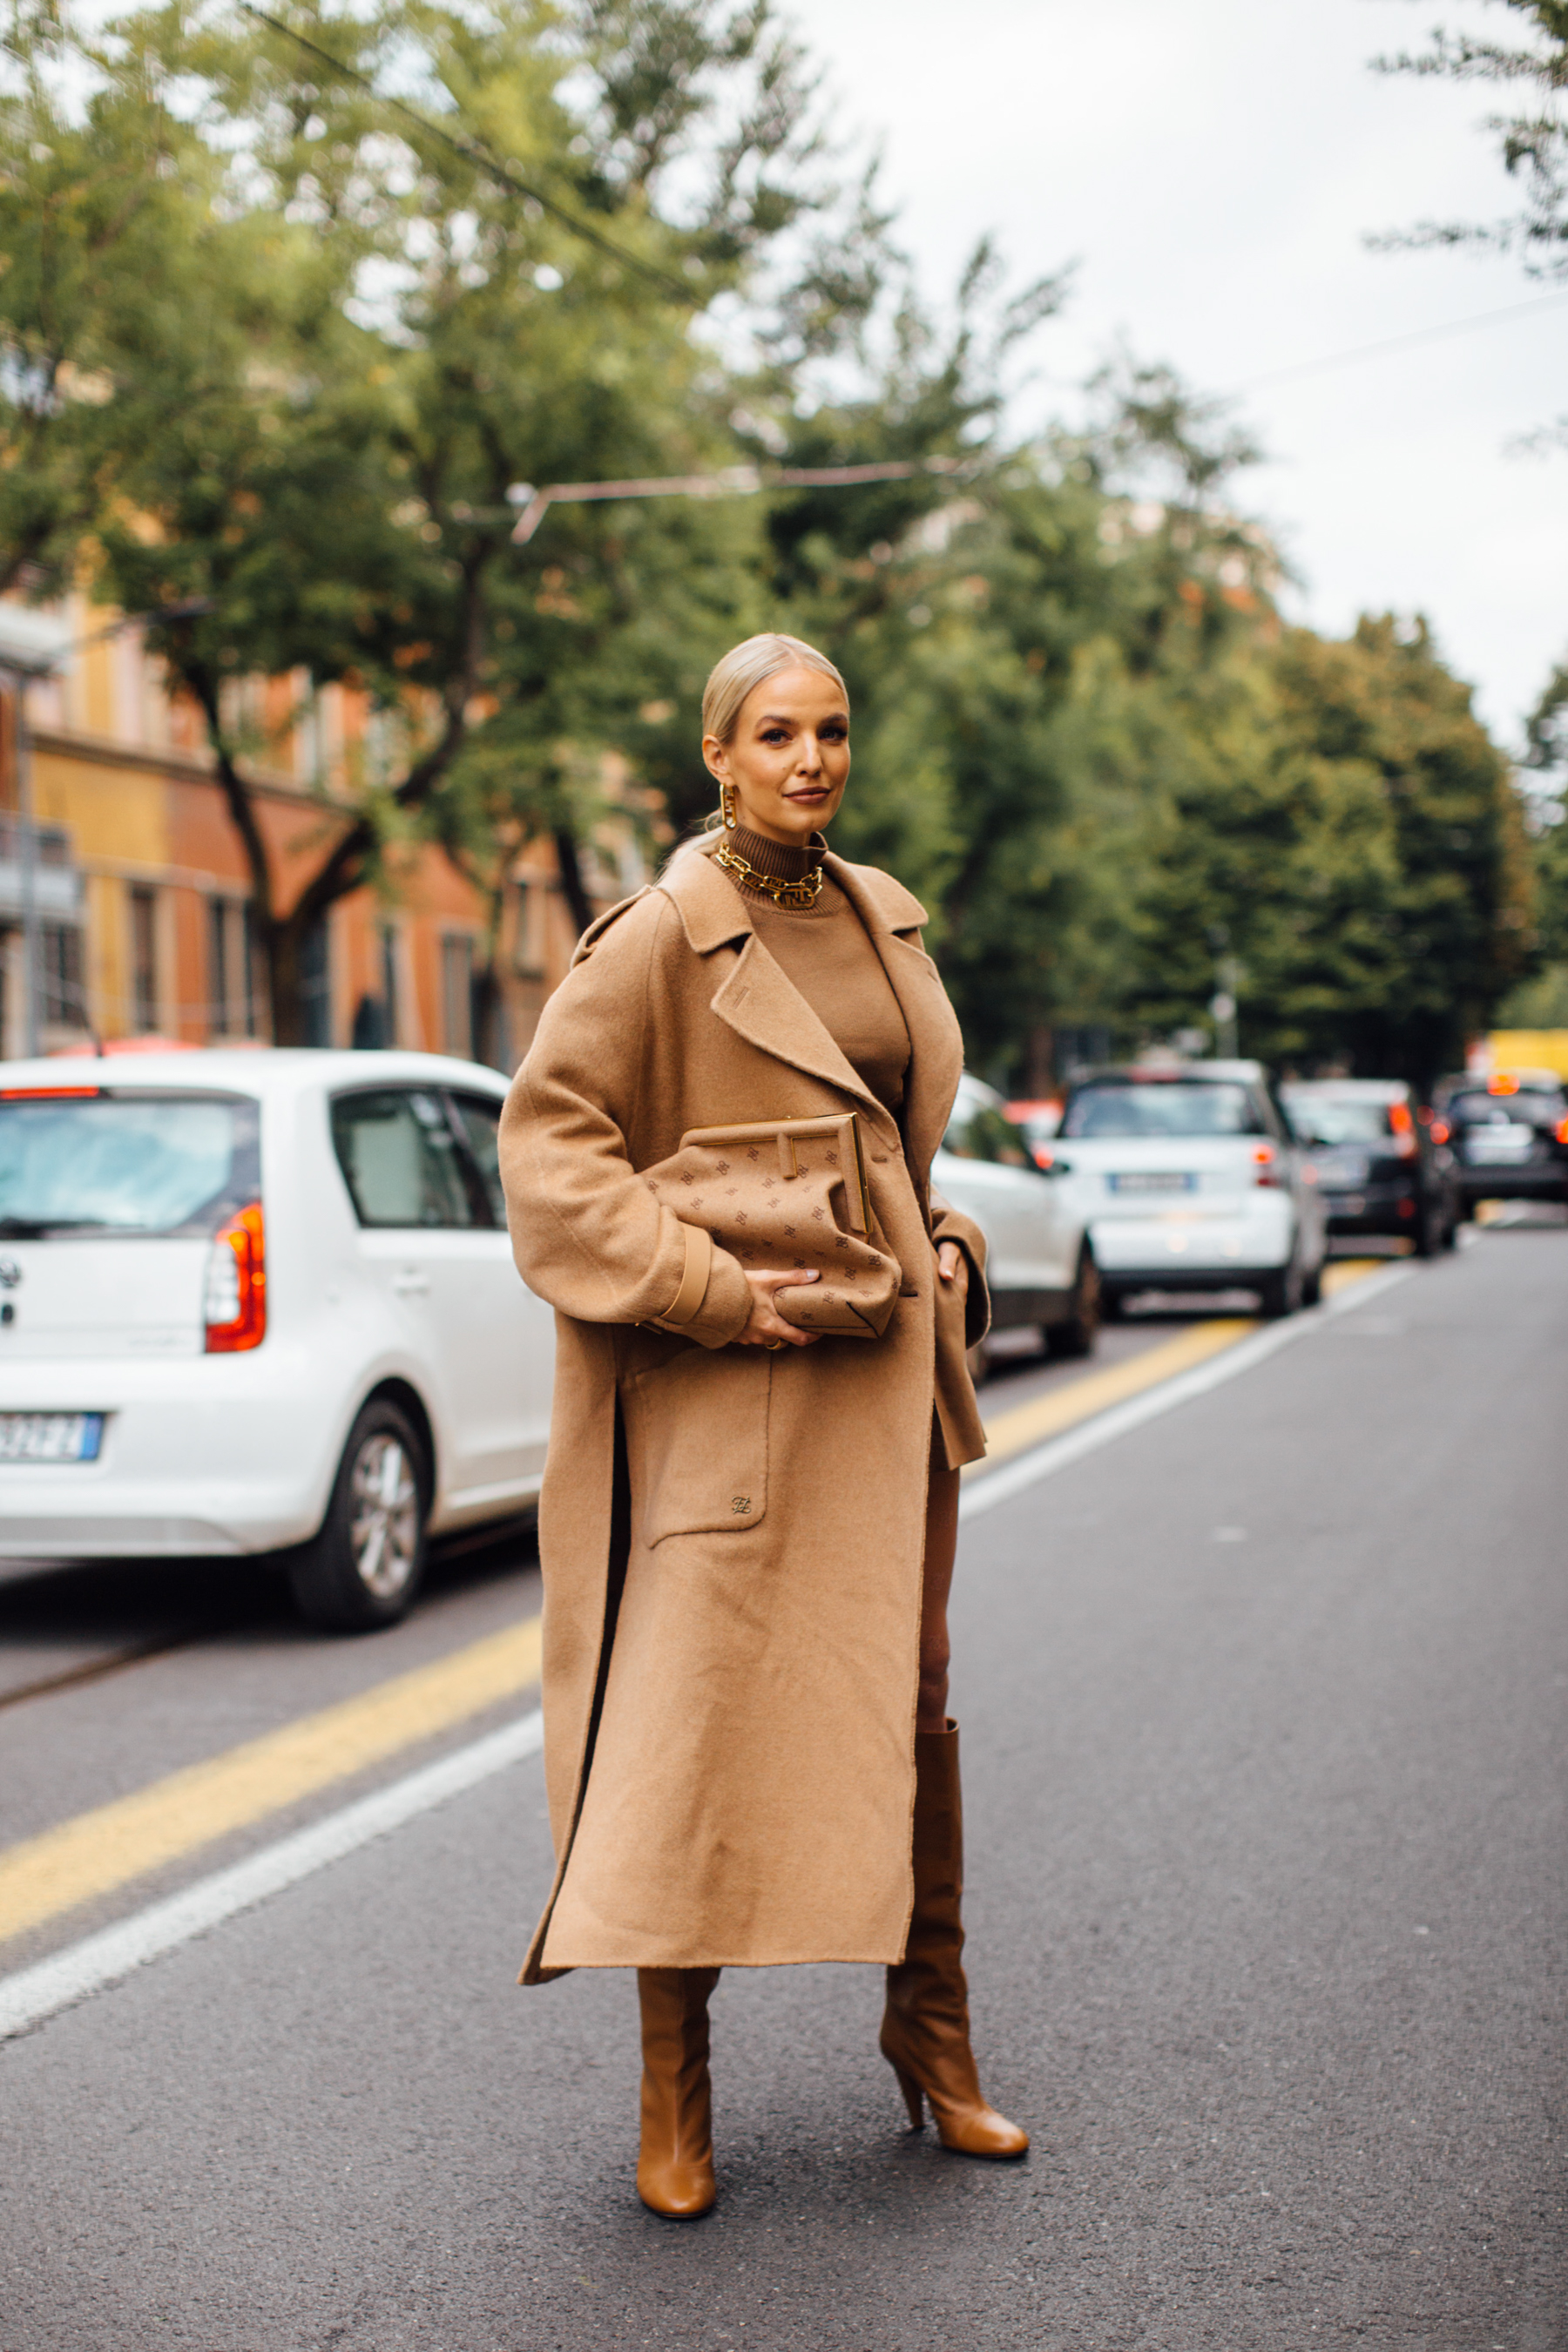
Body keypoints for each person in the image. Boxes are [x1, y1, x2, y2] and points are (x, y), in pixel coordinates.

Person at [498, 631, 1027, 2218]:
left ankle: (929, 2038)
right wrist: (718, 1294)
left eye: (835, 732)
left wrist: (948, 1252)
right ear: (716, 756)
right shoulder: (662, 936)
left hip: (889, 1394)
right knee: (698, 1715)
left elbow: (897, 1153)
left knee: (913, 1695)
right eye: (778, 735)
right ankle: (675, 2091)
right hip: (731, 1404)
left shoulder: (879, 912)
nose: (813, 759)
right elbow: (550, 1155)